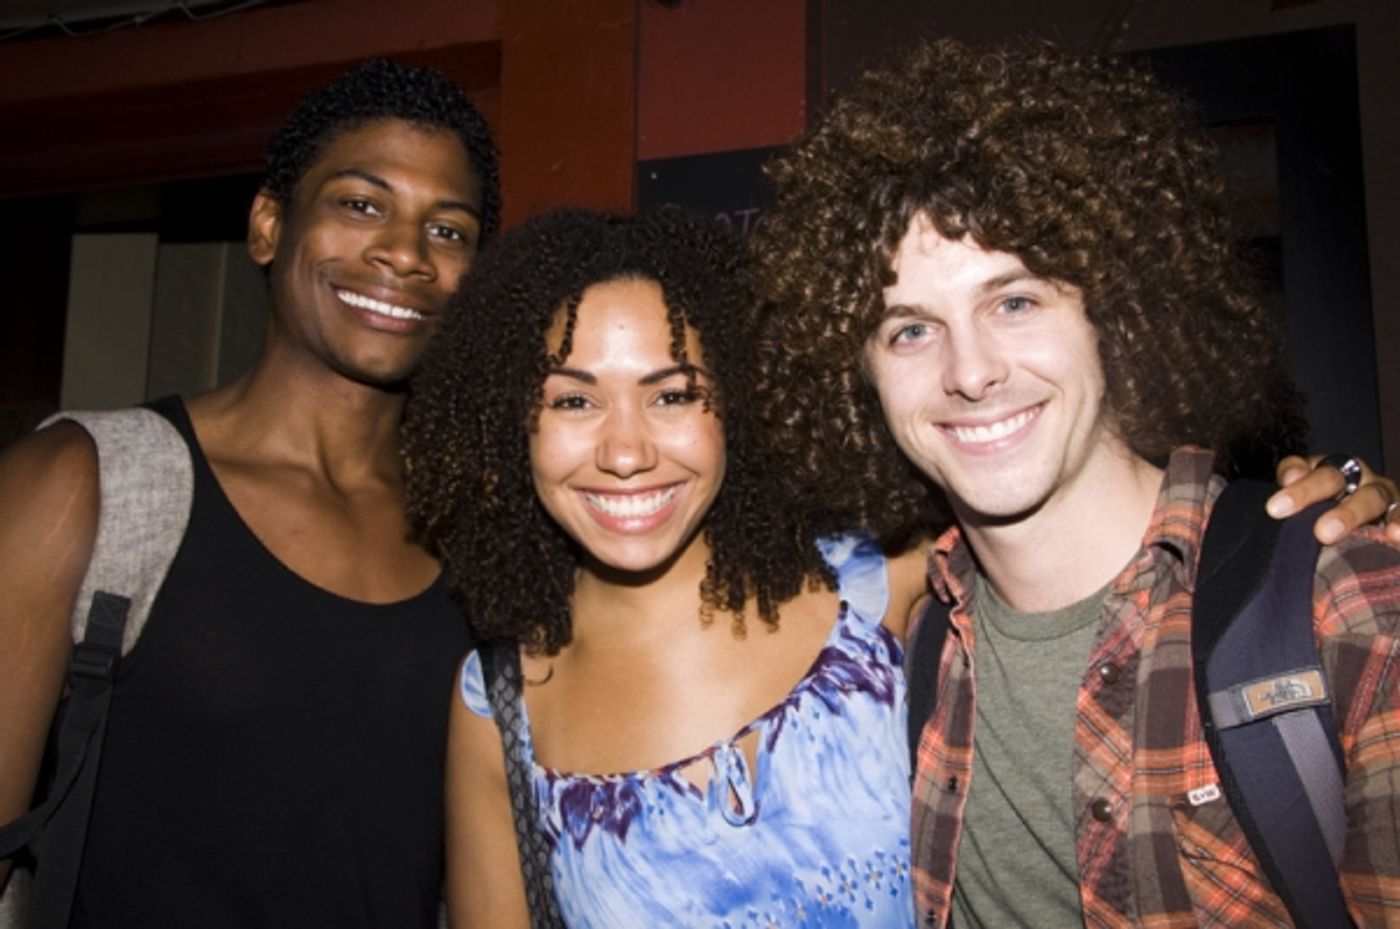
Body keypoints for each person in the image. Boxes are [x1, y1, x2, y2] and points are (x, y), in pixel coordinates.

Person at [748, 37, 1399, 928]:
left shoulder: (1343, 596)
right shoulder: (914, 640)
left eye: (1014, 301)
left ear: (1113, 314)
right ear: (857, 375)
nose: (970, 372)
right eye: (909, 331)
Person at [0, 58, 499, 928]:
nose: (405, 254)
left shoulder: (480, 533)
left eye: (448, 230)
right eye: (361, 203)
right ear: (269, 224)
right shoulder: (83, 481)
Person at [402, 208, 932, 928]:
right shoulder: (499, 711)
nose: (626, 452)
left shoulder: (887, 590)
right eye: (574, 400)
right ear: (509, 424)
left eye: (673, 394)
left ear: (739, 403)